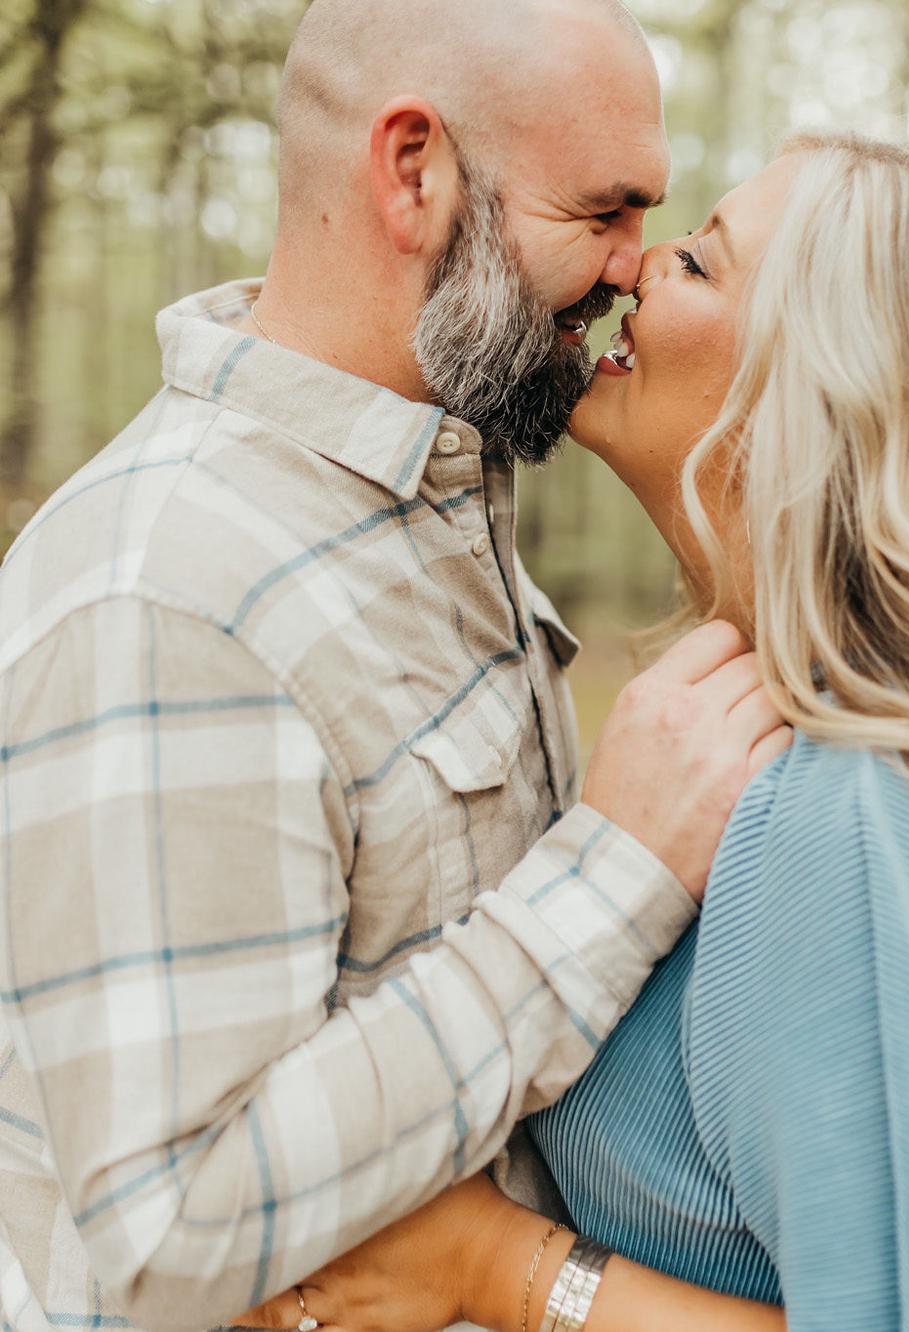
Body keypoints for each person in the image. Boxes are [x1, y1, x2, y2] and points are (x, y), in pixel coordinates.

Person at [251, 134, 909, 1331]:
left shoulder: (877, 816)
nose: (637, 267)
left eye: (700, 261)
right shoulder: (861, 750)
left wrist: (502, 1270)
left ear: (823, 398)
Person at [0, 2, 795, 1330]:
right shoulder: (171, 594)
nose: (632, 269)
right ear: (413, 170)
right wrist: (621, 870)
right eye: (602, 211)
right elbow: (170, 1229)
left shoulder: (434, 500)